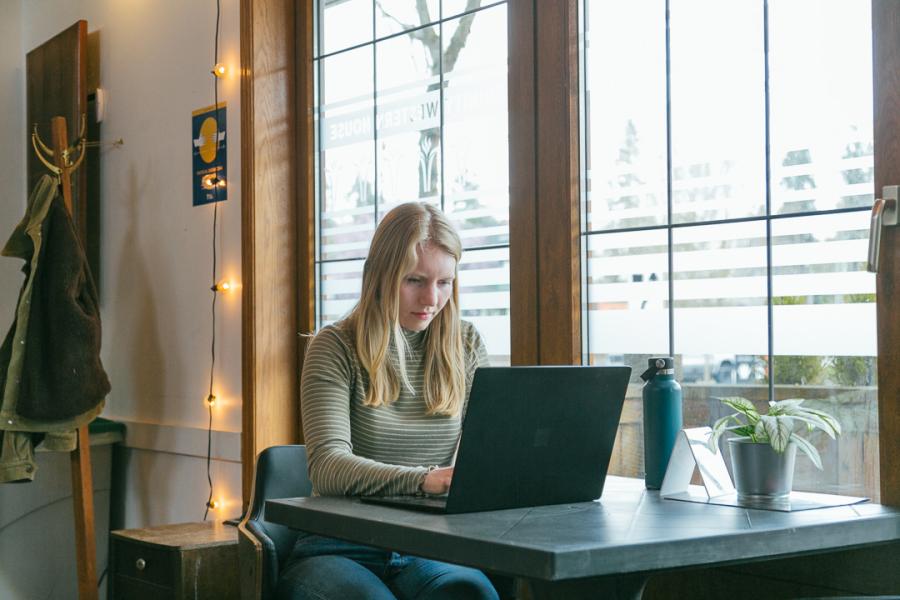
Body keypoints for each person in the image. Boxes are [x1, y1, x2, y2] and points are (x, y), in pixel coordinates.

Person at [277, 202, 503, 600]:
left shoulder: (465, 344)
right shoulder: (335, 345)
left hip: (431, 548)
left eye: (445, 282)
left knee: (473, 594)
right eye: (415, 280)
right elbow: (328, 468)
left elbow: (483, 455)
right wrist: (424, 480)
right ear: (382, 275)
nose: (432, 298)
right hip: (339, 546)